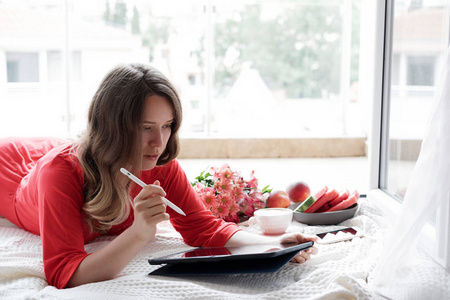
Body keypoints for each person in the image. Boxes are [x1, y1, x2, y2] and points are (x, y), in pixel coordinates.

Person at [0, 63, 317, 289]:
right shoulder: (62, 174)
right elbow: (65, 274)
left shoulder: (157, 161)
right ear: (114, 126)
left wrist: (269, 245)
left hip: (65, 152)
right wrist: (138, 233)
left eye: (167, 126)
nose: (159, 142)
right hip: (12, 174)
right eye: (146, 127)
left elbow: (202, 227)